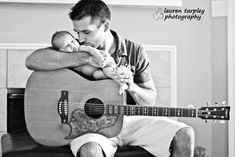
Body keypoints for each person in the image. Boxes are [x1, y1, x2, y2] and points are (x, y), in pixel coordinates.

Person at [25, 0, 195, 157]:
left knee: (184, 134)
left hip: (130, 122)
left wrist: (131, 87)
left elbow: (150, 101)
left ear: (105, 26)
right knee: (89, 151)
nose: (81, 38)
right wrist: (85, 58)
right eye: (77, 32)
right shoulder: (74, 48)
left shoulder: (135, 51)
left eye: (86, 32)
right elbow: (32, 60)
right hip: (89, 129)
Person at [51, 30, 128, 94]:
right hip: (95, 73)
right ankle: (119, 77)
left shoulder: (81, 48)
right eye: (66, 46)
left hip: (103, 62)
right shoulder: (66, 60)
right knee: (98, 76)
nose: (72, 46)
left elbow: (93, 51)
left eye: (72, 41)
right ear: (60, 51)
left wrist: (100, 60)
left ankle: (122, 83)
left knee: (109, 72)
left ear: (75, 39)